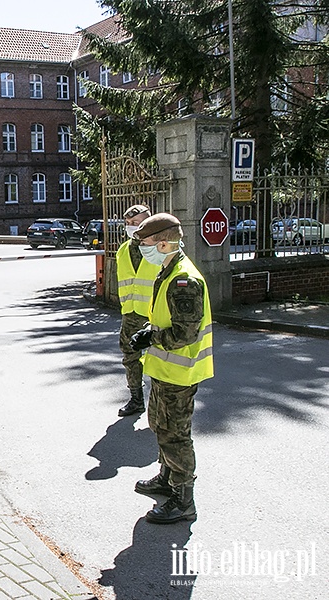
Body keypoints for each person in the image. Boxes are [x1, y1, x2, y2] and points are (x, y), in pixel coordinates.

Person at [129, 213, 213, 524]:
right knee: (162, 429)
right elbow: (168, 319)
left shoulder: (183, 280)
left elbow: (184, 334)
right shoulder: (167, 272)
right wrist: (151, 329)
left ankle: (183, 501)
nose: (142, 248)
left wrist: (153, 336)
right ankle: (167, 478)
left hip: (179, 373)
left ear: (164, 243)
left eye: (146, 243)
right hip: (165, 371)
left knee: (176, 436)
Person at [115, 204, 158, 416]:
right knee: (130, 357)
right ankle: (136, 399)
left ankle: (160, 403)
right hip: (131, 313)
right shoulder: (123, 250)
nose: (132, 227)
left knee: (160, 359)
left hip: (156, 314)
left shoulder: (159, 248)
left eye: (137, 223)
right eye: (129, 223)